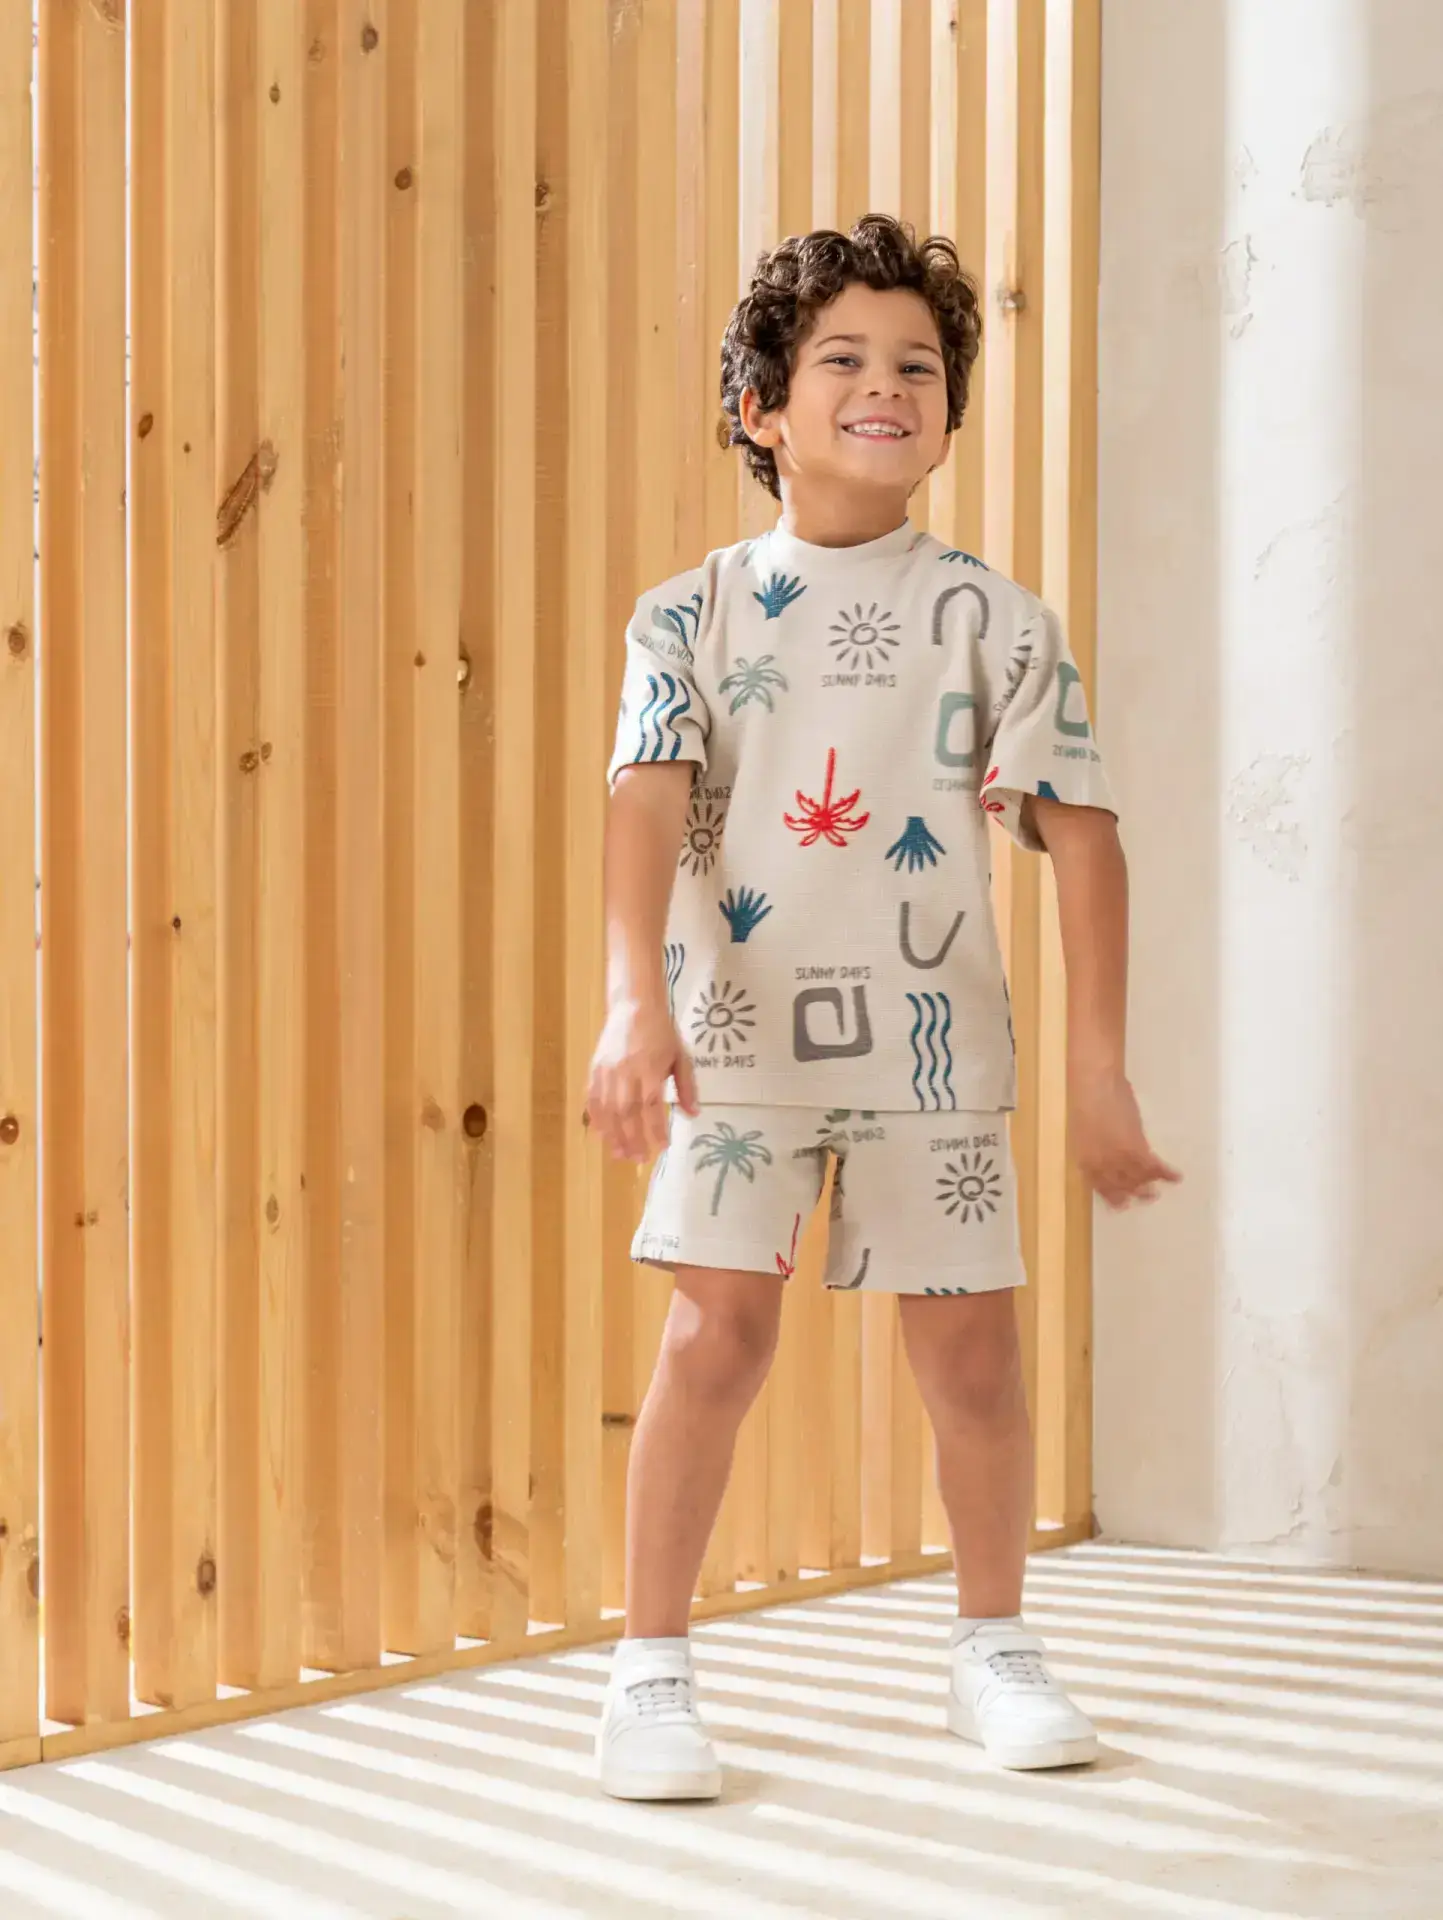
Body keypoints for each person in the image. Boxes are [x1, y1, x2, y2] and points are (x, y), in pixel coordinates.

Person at [585, 214, 1179, 1802]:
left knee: (971, 1354)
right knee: (715, 1336)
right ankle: (647, 1672)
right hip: (729, 1053)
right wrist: (629, 1006)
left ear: (948, 416)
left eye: (917, 365)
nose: (884, 385)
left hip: (937, 1054)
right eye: (841, 359)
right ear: (761, 411)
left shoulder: (995, 620)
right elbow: (642, 805)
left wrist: (1099, 1070)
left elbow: (1082, 836)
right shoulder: (685, 615)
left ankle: (991, 1646)